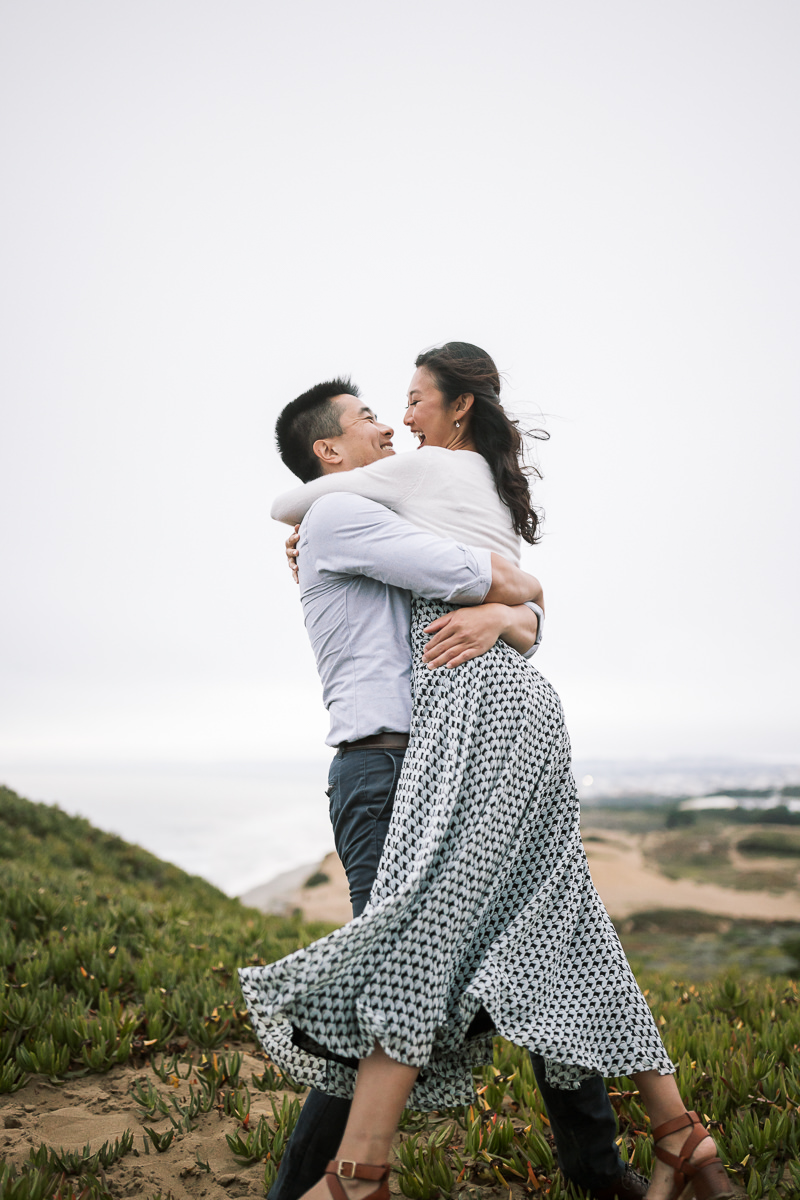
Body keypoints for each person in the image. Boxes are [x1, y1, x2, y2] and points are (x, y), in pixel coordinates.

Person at [241, 345, 733, 1200]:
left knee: (510, 946)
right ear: (330, 451)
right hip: (390, 768)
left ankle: (587, 1169)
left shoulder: (399, 507)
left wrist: (513, 613)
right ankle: (324, 1183)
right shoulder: (342, 518)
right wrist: (516, 597)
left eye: (402, 404)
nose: (389, 422)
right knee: (412, 966)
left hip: (461, 743)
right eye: (368, 418)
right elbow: (499, 579)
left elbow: (516, 614)